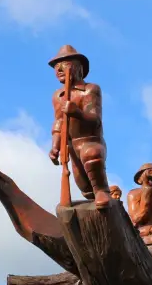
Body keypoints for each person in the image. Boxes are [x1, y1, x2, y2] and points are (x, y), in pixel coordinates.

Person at [48, 45, 112, 208]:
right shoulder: (58, 96)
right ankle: (92, 199)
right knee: (82, 182)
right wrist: (55, 146)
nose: (60, 69)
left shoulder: (90, 89)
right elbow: (58, 122)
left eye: (65, 64)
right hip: (71, 145)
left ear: (78, 68)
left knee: (92, 155)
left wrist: (76, 112)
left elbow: (95, 119)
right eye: (56, 67)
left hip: (90, 140)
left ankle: (101, 191)